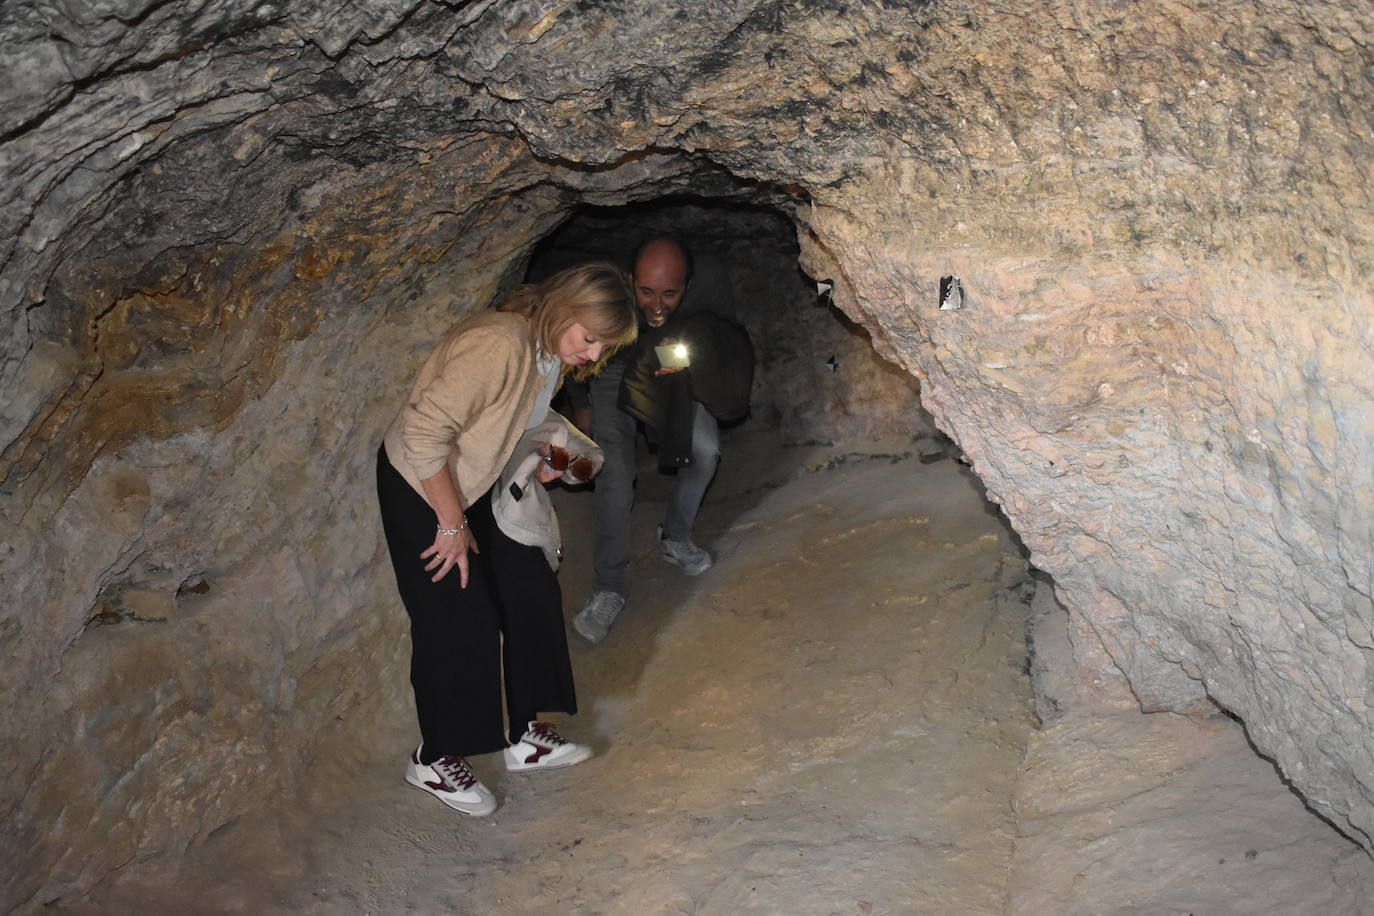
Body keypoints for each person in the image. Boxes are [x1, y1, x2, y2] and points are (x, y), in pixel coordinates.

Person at [375, 262, 636, 816]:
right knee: (457, 615)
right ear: (565, 308)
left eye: (601, 347)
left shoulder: (546, 353)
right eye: (588, 339)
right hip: (422, 483)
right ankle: (433, 757)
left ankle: (523, 737)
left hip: (478, 478)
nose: (591, 356)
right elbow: (423, 433)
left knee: (529, 591)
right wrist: (451, 523)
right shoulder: (499, 343)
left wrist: (560, 456)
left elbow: (525, 422)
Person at [571, 237, 751, 644]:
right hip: (612, 364)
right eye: (646, 292)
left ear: (687, 285)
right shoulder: (608, 285)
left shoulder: (711, 282)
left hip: (675, 361)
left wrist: (694, 362)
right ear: (630, 280)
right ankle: (609, 587)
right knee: (614, 472)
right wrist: (581, 402)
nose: (656, 305)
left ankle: (676, 536)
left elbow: (726, 335)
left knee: (705, 451)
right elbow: (575, 339)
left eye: (669, 294)